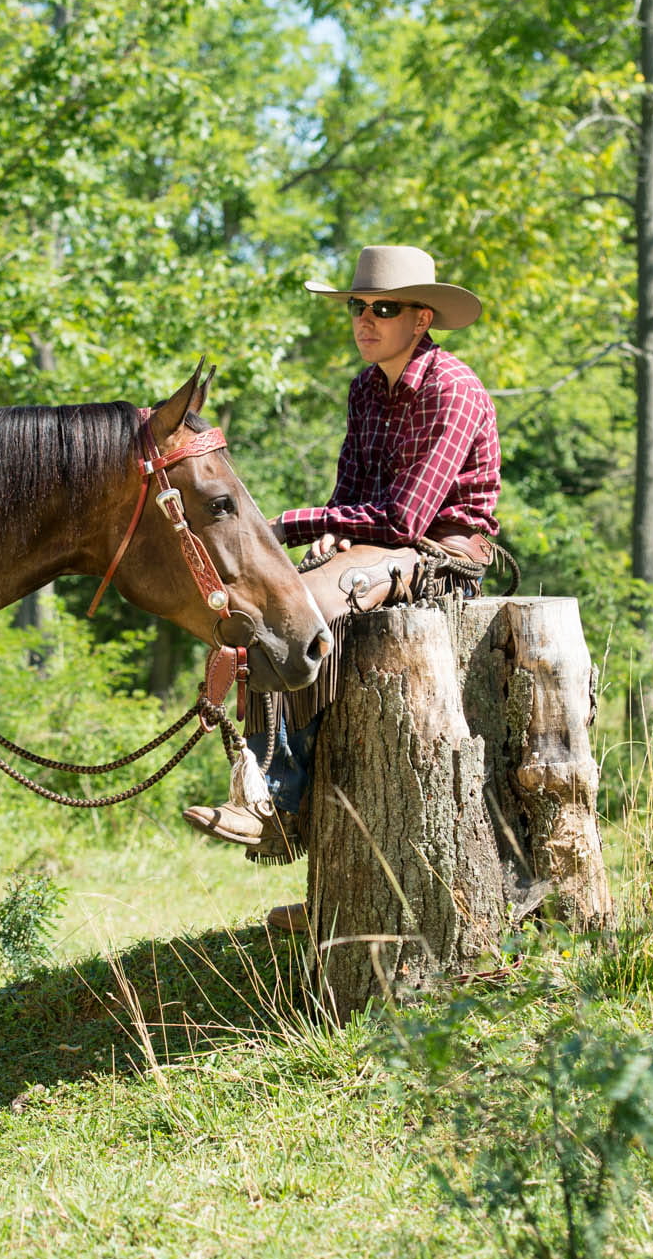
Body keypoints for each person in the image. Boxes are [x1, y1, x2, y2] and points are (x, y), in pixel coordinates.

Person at [184, 244, 501, 928]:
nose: (365, 319)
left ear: (421, 318)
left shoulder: (453, 388)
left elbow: (408, 518)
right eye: (358, 306)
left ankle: (274, 795)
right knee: (265, 611)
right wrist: (327, 535)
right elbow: (354, 494)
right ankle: (289, 818)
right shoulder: (365, 388)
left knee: (294, 618)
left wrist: (290, 526)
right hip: (377, 545)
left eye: (382, 308)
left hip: (443, 552)